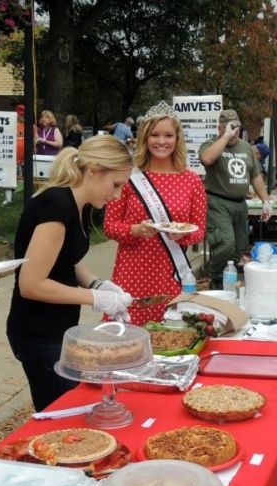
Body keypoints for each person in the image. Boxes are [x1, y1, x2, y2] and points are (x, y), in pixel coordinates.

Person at [6, 135, 134, 411]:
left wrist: (98, 284)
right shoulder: (56, 208)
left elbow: (68, 260)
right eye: (116, 185)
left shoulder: (78, 206)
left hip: (59, 330)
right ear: (94, 170)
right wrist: (93, 298)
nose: (117, 195)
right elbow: (31, 284)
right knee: (60, 414)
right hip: (37, 333)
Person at [104, 100, 207, 325]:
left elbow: (199, 230)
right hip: (131, 273)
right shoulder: (129, 177)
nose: (161, 141)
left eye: (168, 135)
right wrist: (136, 230)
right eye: (155, 135)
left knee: (169, 337)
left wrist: (184, 235)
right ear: (144, 138)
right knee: (126, 343)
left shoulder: (191, 181)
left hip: (171, 273)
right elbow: (110, 225)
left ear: (177, 138)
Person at [199, 108, 272, 288]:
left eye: (236, 127)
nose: (233, 131)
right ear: (220, 128)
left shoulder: (246, 147)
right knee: (225, 243)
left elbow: (255, 176)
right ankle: (216, 280)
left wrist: (266, 201)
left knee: (240, 247)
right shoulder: (211, 144)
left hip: (240, 204)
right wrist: (225, 138)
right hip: (218, 201)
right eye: (229, 127)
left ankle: (227, 279)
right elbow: (207, 159)